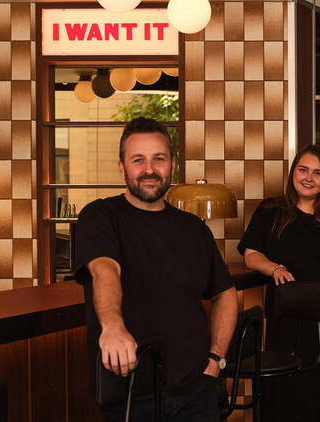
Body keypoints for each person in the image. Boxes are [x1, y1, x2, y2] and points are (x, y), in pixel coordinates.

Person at [74, 117, 238, 422]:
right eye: (138, 160)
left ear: (172, 166)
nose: (149, 169)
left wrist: (215, 359)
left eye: (158, 159)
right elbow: (104, 270)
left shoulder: (194, 229)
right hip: (131, 393)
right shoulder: (100, 217)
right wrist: (112, 325)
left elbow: (225, 292)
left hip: (197, 390)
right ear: (122, 168)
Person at [238, 144, 320, 422]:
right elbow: (251, 255)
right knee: (291, 396)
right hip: (290, 323)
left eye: (317, 173)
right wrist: (274, 267)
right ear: (293, 173)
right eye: (303, 170)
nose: (309, 178)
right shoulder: (270, 211)